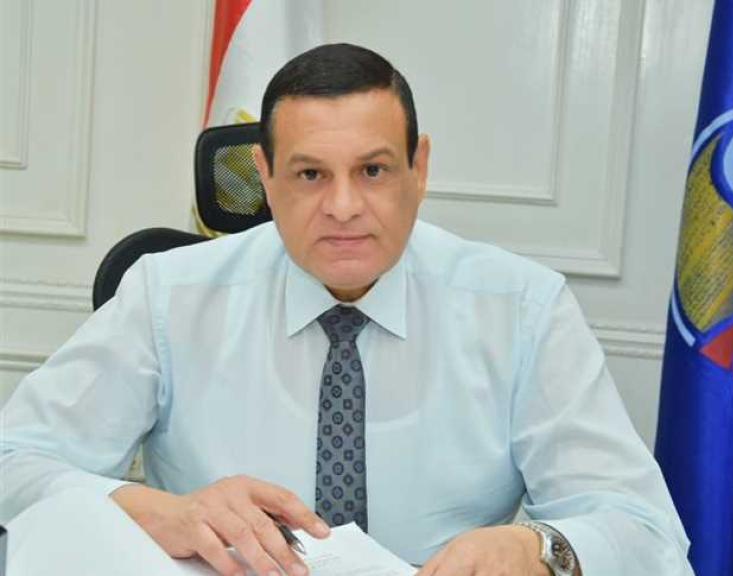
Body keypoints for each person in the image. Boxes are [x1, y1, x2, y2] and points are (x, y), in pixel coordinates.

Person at [0, 43, 693, 576]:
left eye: (373, 170)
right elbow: (14, 461)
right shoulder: (168, 295)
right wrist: (163, 513)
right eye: (310, 174)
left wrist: (536, 547)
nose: (343, 207)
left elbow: (644, 530)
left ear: (420, 168)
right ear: (265, 177)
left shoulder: (522, 308)